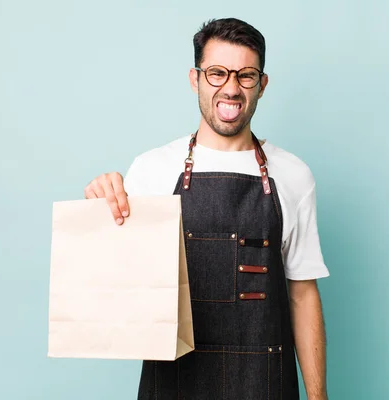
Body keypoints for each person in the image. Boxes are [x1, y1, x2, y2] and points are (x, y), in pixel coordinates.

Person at [84, 18, 329, 400]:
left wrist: (318, 397)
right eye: (217, 73)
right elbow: (117, 279)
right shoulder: (151, 170)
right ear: (195, 79)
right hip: (175, 383)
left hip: (264, 382)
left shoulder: (294, 175)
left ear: (261, 85)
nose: (231, 88)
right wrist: (100, 206)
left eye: (245, 75)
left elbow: (302, 294)